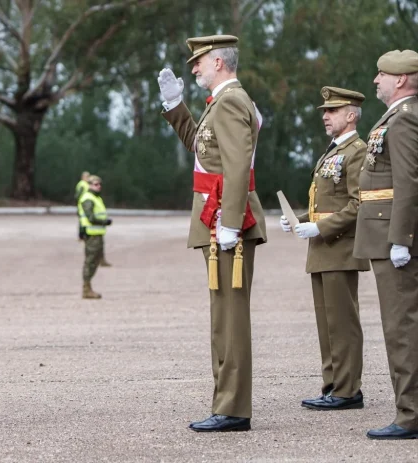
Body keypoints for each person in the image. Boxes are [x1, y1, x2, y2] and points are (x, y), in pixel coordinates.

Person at [157, 35, 267, 432]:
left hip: (225, 219)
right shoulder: (223, 102)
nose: (194, 68)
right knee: (223, 317)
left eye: (199, 61)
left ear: (219, 61)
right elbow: (201, 147)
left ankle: (234, 408)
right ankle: (226, 401)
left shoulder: (233, 100)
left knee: (231, 318)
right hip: (217, 217)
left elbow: (237, 167)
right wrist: (174, 106)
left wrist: (232, 223)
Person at [280, 87, 370, 411]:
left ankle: (348, 390)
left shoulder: (357, 151)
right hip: (322, 249)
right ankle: (333, 385)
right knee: (327, 323)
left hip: (341, 248)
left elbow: (359, 203)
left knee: (343, 322)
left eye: (332, 110)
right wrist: (299, 219)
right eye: (324, 111)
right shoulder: (332, 151)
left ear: (351, 114)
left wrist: (320, 227)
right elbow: (327, 202)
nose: (325, 116)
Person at [353, 49, 418, 440]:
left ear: (401, 80)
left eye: (381, 75)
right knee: (402, 326)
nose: (375, 80)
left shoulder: (405, 118)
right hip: (385, 232)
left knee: (401, 328)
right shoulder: (398, 116)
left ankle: (409, 415)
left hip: (394, 237)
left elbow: (409, 182)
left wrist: (401, 239)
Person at [78, 175, 113, 299]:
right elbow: (90, 217)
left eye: (99, 184)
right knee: (90, 261)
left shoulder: (95, 198)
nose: (98, 186)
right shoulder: (88, 198)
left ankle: (87, 287)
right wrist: (104, 222)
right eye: (95, 184)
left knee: (95, 260)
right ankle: (86, 288)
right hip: (92, 235)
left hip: (97, 234)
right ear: (89, 185)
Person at [75, 171, 90, 241]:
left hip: (85, 205)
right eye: (87, 177)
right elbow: (77, 196)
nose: (88, 178)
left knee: (85, 220)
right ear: (83, 177)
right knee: (82, 221)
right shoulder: (82, 184)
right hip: (82, 205)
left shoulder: (86, 184)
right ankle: (81, 235)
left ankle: (85, 234)